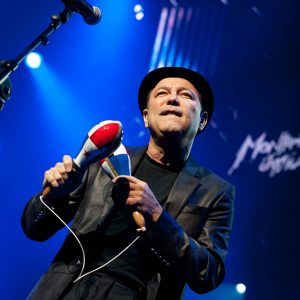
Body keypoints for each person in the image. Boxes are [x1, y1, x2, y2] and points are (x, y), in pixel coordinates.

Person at [22, 67, 235, 300]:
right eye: (162, 93)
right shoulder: (106, 157)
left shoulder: (215, 191)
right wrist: (51, 198)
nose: (173, 98)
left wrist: (157, 216)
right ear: (145, 116)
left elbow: (208, 273)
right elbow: (34, 229)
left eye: (185, 95)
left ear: (202, 120)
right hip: (66, 290)